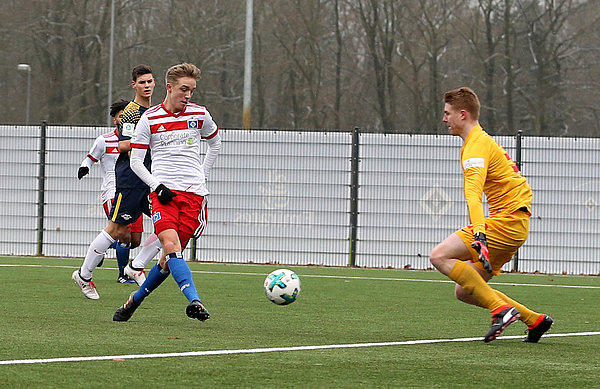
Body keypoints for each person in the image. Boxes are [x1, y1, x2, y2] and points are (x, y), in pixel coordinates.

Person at [429, 87, 553, 343]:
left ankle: (501, 310)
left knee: (439, 256)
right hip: (514, 224)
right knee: (465, 291)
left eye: (447, 113)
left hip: (505, 223)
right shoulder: (480, 141)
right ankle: (535, 320)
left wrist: (479, 234)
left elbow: (473, 195)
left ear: (462, 114)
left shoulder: (475, 146)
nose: (444, 119)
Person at [113, 62, 221, 322]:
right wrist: (156, 185)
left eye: (192, 91)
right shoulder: (149, 119)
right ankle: (195, 301)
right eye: (184, 89)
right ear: (170, 87)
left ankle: (134, 300)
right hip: (164, 196)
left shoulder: (199, 115)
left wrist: (202, 175)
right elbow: (136, 161)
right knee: (171, 246)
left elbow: (215, 143)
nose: (188, 95)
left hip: (194, 196)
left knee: (167, 260)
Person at [73, 64, 161, 299]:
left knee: (168, 226)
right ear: (134, 85)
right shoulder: (131, 112)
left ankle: (135, 266)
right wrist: (150, 141)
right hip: (131, 179)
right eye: (142, 82)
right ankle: (84, 275)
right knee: (116, 229)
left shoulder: (155, 111)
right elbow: (122, 144)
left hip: (150, 179)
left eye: (150, 81)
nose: (147, 86)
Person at [78, 98, 134, 283]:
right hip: (112, 192)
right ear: (115, 119)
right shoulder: (104, 140)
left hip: (134, 191)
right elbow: (90, 158)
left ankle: (98, 250)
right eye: (121, 116)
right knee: (122, 231)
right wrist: (84, 167)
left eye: (129, 115)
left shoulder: (139, 139)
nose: (125, 119)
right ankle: (123, 275)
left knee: (134, 239)